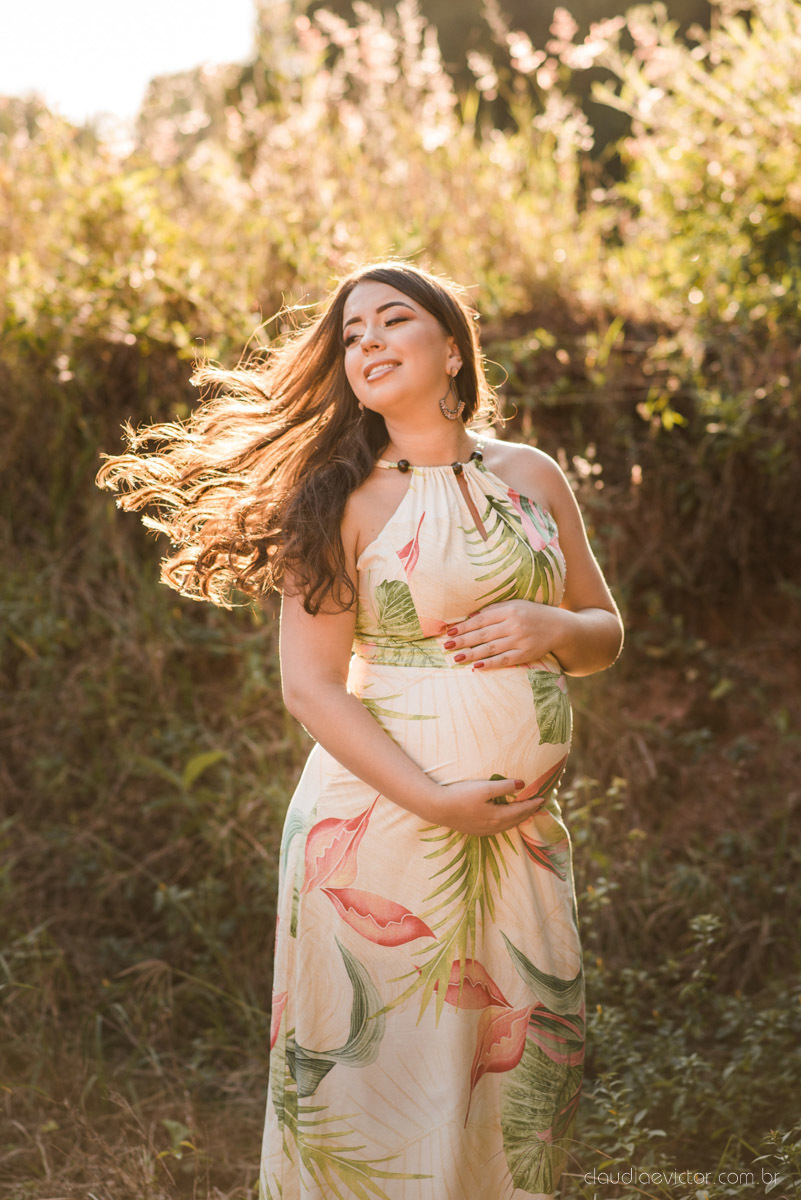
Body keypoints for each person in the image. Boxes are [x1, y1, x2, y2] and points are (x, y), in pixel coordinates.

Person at [97, 260, 623, 1200]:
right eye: (350, 334)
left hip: (516, 839)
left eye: (392, 321)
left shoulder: (531, 476)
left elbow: (603, 632)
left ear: (452, 349)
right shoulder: (338, 500)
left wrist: (554, 629)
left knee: (507, 1087)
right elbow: (310, 689)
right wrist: (437, 801)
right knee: (387, 1093)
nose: (368, 341)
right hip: (386, 830)